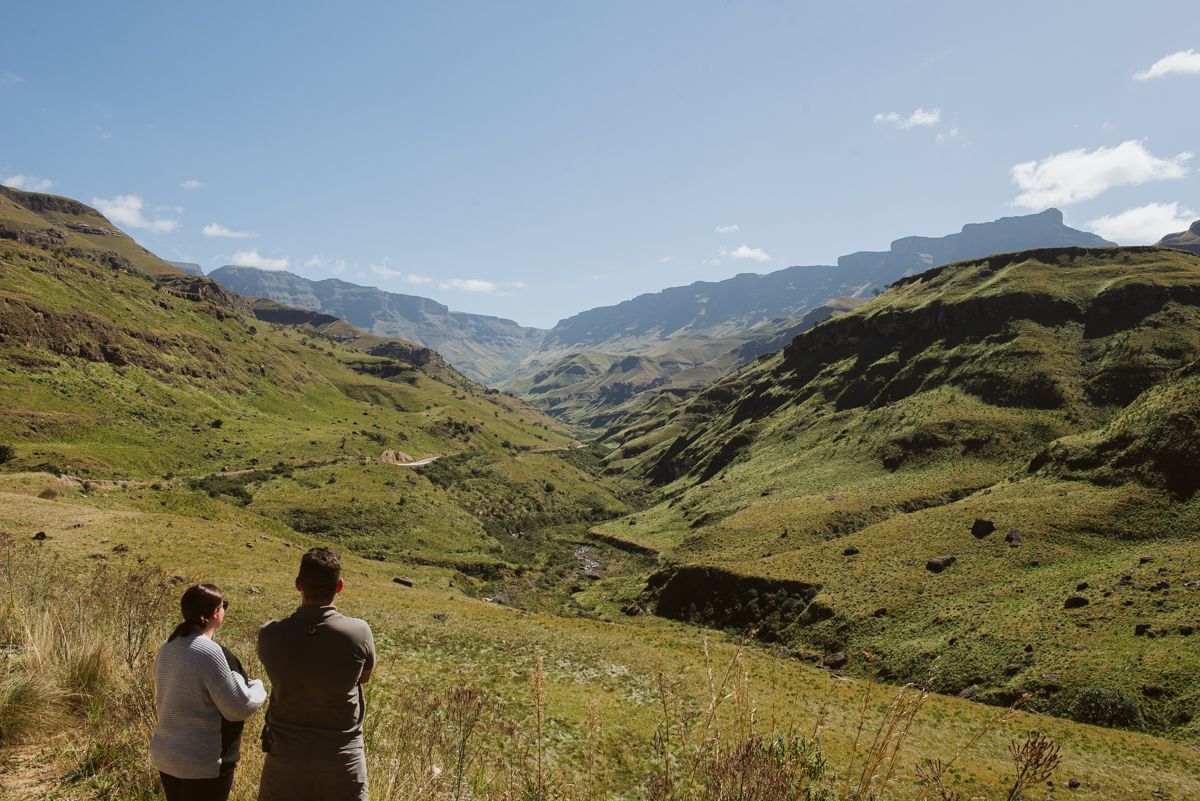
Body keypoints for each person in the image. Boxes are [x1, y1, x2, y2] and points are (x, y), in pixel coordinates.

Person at [257, 547, 376, 801]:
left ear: (299, 585)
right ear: (339, 586)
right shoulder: (359, 632)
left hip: (285, 758)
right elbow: (363, 678)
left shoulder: (270, 634)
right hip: (342, 759)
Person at [150, 583, 267, 801]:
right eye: (224, 606)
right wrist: (258, 686)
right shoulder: (209, 651)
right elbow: (238, 708)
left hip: (167, 754)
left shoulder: (168, 645)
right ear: (215, 612)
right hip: (201, 761)